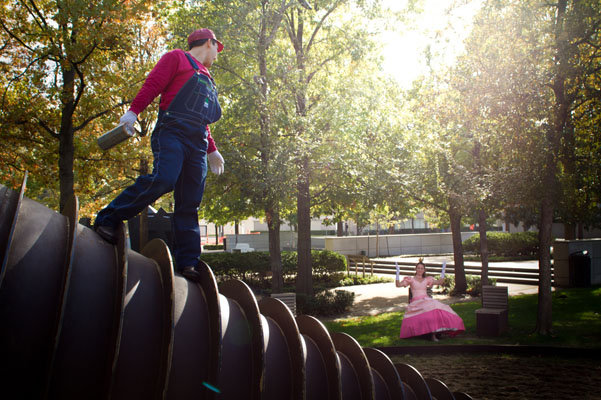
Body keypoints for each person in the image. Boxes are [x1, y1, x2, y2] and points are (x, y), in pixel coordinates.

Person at [94, 28, 225, 280]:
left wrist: (212, 149)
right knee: (164, 179)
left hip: (197, 141)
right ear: (209, 43)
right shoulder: (176, 58)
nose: (216, 57)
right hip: (172, 133)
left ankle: (188, 262)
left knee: (189, 202)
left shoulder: (208, 78)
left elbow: (202, 117)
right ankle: (108, 218)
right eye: (216, 50)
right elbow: (153, 85)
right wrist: (133, 112)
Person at [396, 259, 465, 341]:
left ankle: (437, 333)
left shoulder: (427, 279)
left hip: (426, 300)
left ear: (424, 270)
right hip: (416, 302)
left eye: (422, 268)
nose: (420, 270)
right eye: (418, 268)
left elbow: (440, 282)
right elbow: (398, 285)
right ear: (415, 269)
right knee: (430, 308)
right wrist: (397, 273)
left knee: (437, 307)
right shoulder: (411, 279)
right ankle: (431, 334)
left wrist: (443, 270)